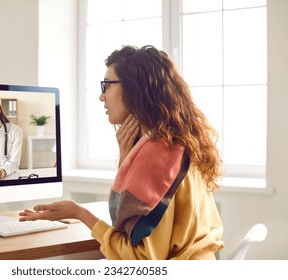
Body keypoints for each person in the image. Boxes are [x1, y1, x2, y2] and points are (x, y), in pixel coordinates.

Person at [19, 45, 224, 259]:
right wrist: (127, 159)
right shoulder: (175, 143)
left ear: (135, 88)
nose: (101, 96)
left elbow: (138, 259)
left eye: (106, 85)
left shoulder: (157, 156)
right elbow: (129, 225)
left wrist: (79, 213)